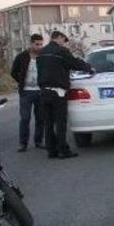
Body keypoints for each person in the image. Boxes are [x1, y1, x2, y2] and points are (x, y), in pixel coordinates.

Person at [36, 30, 93, 159]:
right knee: (60, 123)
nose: (63, 43)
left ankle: (52, 151)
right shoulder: (61, 52)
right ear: (59, 37)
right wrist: (89, 68)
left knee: (48, 123)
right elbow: (75, 63)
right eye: (63, 40)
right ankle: (63, 150)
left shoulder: (41, 53)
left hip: (44, 91)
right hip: (58, 92)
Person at [10, 34, 45, 152]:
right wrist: (21, 81)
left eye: (41, 44)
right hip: (26, 92)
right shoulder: (22, 56)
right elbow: (13, 72)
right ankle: (23, 143)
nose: (39, 47)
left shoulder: (43, 56)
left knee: (40, 118)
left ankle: (38, 141)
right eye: (37, 44)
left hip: (40, 92)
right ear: (31, 43)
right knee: (25, 118)